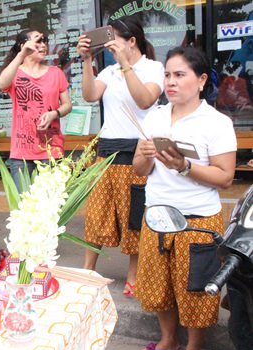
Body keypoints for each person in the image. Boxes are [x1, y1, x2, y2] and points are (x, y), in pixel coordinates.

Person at [133, 46, 236, 350]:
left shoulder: (216, 122)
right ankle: (168, 340)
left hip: (198, 220)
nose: (171, 82)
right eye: (167, 75)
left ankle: (192, 349)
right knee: (157, 285)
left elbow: (226, 177)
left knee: (196, 290)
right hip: (157, 215)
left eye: (180, 74)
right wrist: (146, 156)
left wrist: (185, 167)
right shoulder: (155, 117)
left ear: (201, 79)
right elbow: (139, 170)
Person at [76, 17, 164, 297]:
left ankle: (133, 275)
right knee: (97, 214)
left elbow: (145, 100)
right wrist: (87, 61)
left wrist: (126, 64)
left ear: (132, 41)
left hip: (137, 150)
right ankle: (88, 270)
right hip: (107, 149)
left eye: (114, 37)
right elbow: (90, 95)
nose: (110, 43)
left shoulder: (154, 68)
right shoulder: (109, 71)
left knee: (133, 217)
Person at [0, 29, 72, 189]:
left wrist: (54, 113)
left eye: (44, 40)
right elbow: (2, 84)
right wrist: (21, 55)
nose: (43, 45)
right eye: (37, 41)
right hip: (22, 152)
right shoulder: (15, 72)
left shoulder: (56, 73)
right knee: (23, 207)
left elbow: (67, 105)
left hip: (51, 149)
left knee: (52, 206)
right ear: (23, 45)